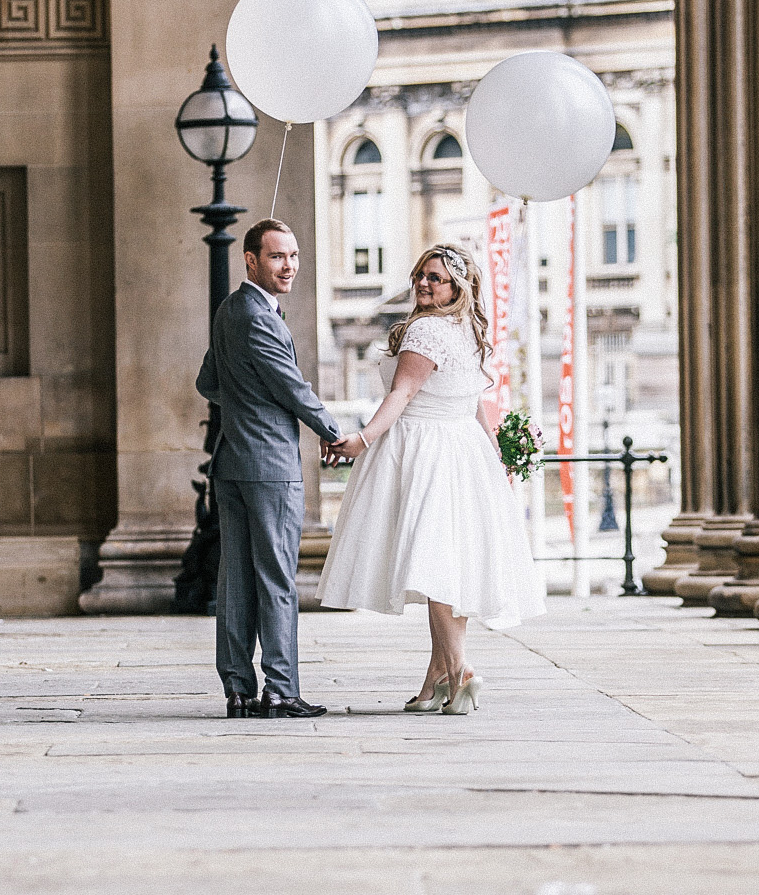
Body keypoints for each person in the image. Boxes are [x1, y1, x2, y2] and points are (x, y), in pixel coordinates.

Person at [318, 244, 543, 713]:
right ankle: (436, 680)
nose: (422, 283)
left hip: (425, 450)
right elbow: (476, 403)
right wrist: (493, 454)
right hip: (463, 450)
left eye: (434, 278)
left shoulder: (424, 331)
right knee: (446, 562)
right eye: (419, 274)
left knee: (435, 563)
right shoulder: (466, 331)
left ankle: (461, 672)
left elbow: (402, 394)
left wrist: (363, 438)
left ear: (457, 287)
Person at [196, 218, 341, 719]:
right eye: (278, 257)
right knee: (276, 578)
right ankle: (280, 689)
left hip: (233, 460)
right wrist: (331, 431)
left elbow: (207, 381)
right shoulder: (260, 316)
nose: (290, 266)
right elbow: (292, 387)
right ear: (251, 260)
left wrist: (245, 407)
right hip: (271, 467)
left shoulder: (229, 310)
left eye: (295, 256)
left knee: (235, 581)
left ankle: (238, 690)